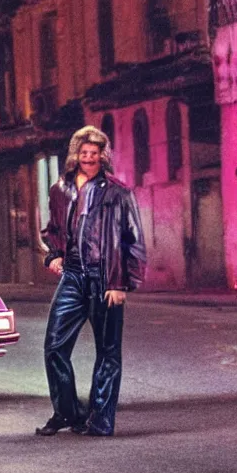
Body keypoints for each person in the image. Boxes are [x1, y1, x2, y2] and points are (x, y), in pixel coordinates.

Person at [35, 125, 147, 437]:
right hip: (72, 277)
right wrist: (53, 254)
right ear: (76, 155)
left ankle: (100, 421)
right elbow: (53, 229)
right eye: (83, 152)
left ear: (102, 156)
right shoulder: (61, 189)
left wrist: (120, 283)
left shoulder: (117, 192)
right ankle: (68, 413)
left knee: (108, 353)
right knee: (54, 347)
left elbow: (133, 239)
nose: (88, 157)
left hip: (105, 279)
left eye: (94, 153)